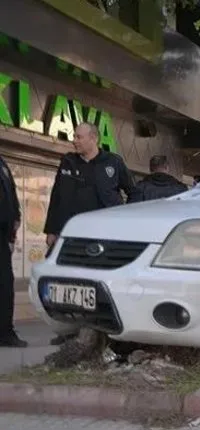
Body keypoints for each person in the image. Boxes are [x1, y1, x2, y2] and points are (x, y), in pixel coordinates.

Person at [43, 123, 136, 346]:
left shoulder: (113, 162)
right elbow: (56, 197)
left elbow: (133, 192)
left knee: (99, 283)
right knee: (69, 282)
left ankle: (106, 331)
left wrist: (127, 222)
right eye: (74, 136)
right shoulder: (68, 162)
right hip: (71, 235)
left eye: (79, 136)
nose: (74, 140)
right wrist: (52, 229)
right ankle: (69, 331)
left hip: (105, 236)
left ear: (93, 138)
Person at [0, 157, 25, 347]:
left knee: (5, 284)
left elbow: (11, 193)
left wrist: (15, 216)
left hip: (3, 234)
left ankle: (5, 332)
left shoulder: (2, 163)